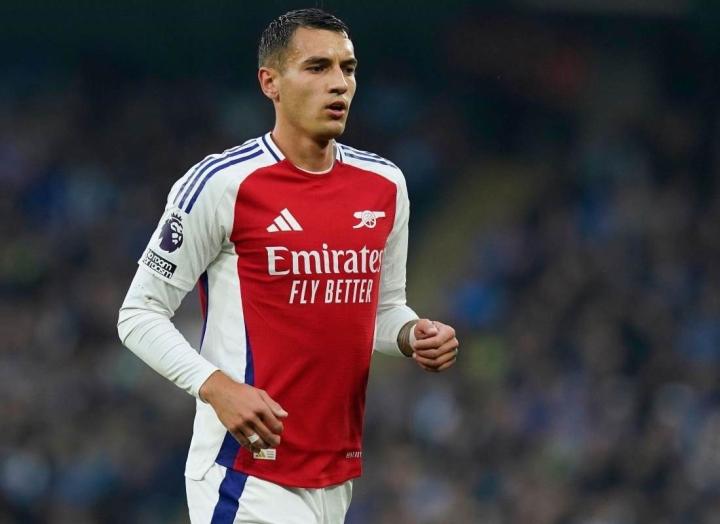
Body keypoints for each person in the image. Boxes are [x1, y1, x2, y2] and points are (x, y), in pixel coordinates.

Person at [117, 8, 459, 524]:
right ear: (270, 83)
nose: (339, 83)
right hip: (243, 471)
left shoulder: (385, 185)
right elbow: (138, 314)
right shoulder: (222, 183)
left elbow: (381, 310)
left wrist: (413, 334)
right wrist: (217, 387)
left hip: (334, 473)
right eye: (317, 67)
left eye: (348, 68)